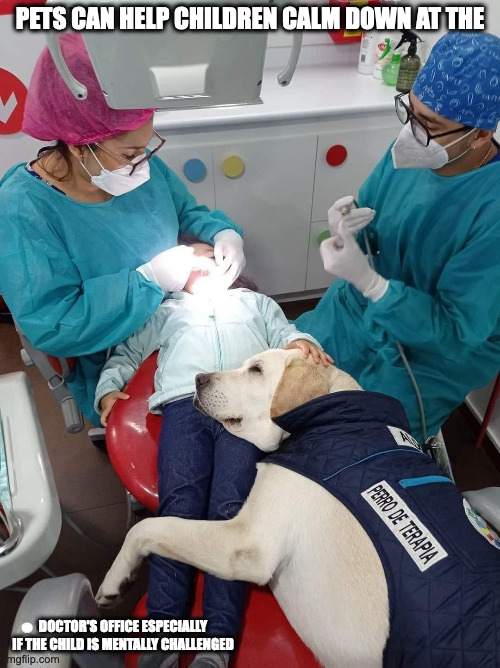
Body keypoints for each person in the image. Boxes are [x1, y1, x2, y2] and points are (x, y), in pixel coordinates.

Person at [95, 236, 330, 668]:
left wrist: (299, 340)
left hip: (245, 407)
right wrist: (108, 387)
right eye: (193, 260)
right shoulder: (167, 310)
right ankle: (162, 634)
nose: (204, 265)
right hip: (186, 404)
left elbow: (285, 332)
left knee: (231, 510)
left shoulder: (253, 304)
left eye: (213, 258)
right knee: (177, 507)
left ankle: (216, 645)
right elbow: (127, 352)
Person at [0, 34, 245, 426]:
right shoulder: (23, 210)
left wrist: (222, 234)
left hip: (179, 318)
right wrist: (148, 280)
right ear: (80, 146)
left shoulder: (133, 168)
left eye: (147, 148)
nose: (144, 164)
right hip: (115, 357)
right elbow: (57, 324)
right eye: (131, 154)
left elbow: (186, 212)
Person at [295, 31, 500, 443]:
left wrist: (374, 285)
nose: (411, 133)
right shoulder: (416, 146)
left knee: (347, 448)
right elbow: (373, 214)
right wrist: (349, 226)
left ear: (479, 134)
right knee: (285, 382)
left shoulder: (491, 212)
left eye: (430, 124)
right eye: (410, 112)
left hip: (426, 357)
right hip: (354, 313)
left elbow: (457, 332)